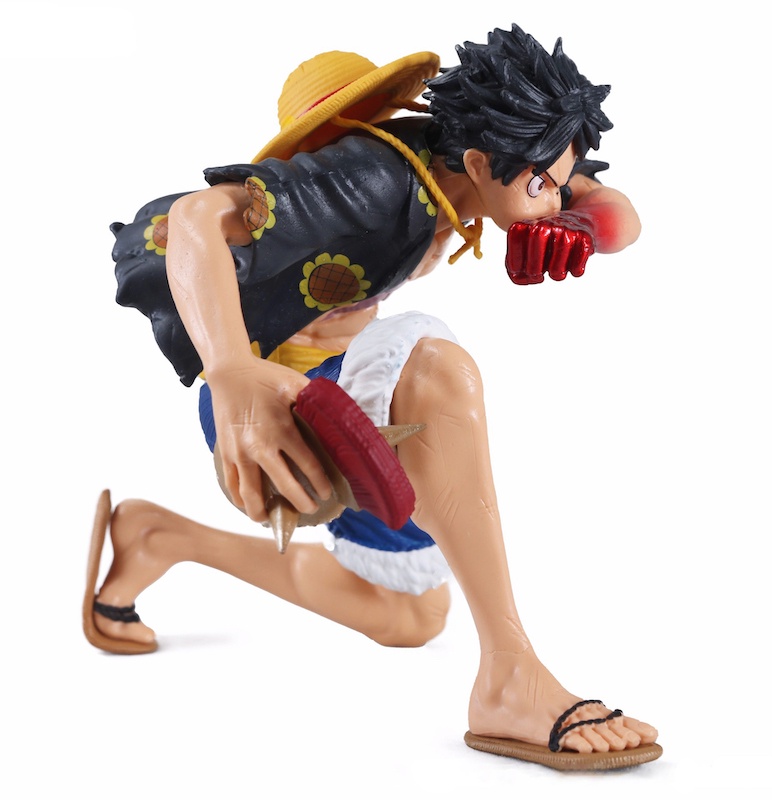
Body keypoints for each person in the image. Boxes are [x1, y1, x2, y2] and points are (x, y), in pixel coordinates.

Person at [84, 24, 661, 770]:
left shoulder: (486, 161)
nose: (552, 196)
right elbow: (197, 217)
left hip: (345, 396)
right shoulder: (371, 181)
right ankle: (511, 676)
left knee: (408, 615)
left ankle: (157, 537)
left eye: (558, 182)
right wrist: (229, 373)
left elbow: (619, 215)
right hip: (271, 409)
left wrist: (574, 220)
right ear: (480, 162)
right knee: (440, 371)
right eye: (542, 186)